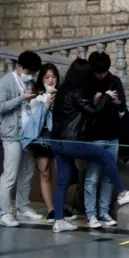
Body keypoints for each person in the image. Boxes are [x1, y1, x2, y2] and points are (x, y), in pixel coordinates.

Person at [50, 59, 129, 233]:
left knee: (62, 181)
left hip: (56, 142)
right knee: (107, 156)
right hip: (71, 142)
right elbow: (94, 112)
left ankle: (59, 221)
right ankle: (123, 194)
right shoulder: (76, 92)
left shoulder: (63, 90)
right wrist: (106, 96)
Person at [0, 51, 43, 227]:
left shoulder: (29, 82)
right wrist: (21, 98)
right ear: (19, 66)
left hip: (28, 135)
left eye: (33, 73)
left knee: (27, 173)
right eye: (29, 71)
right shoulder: (5, 83)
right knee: (10, 175)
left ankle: (23, 206)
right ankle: (5, 213)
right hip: (12, 134)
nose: (30, 76)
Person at [25, 63, 76, 222]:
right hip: (41, 139)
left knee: (62, 173)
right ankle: (51, 209)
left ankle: (59, 206)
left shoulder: (61, 94)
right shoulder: (36, 97)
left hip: (59, 137)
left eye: (53, 77)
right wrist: (46, 105)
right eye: (47, 77)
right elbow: (35, 121)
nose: (51, 80)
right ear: (42, 79)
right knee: (45, 174)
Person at [84, 52, 127, 229]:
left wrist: (116, 102)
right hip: (94, 135)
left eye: (103, 72)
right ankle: (91, 214)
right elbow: (83, 108)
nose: (101, 76)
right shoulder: (87, 82)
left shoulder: (114, 81)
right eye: (98, 73)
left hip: (112, 134)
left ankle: (104, 212)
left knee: (109, 176)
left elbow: (123, 106)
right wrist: (94, 101)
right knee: (93, 176)